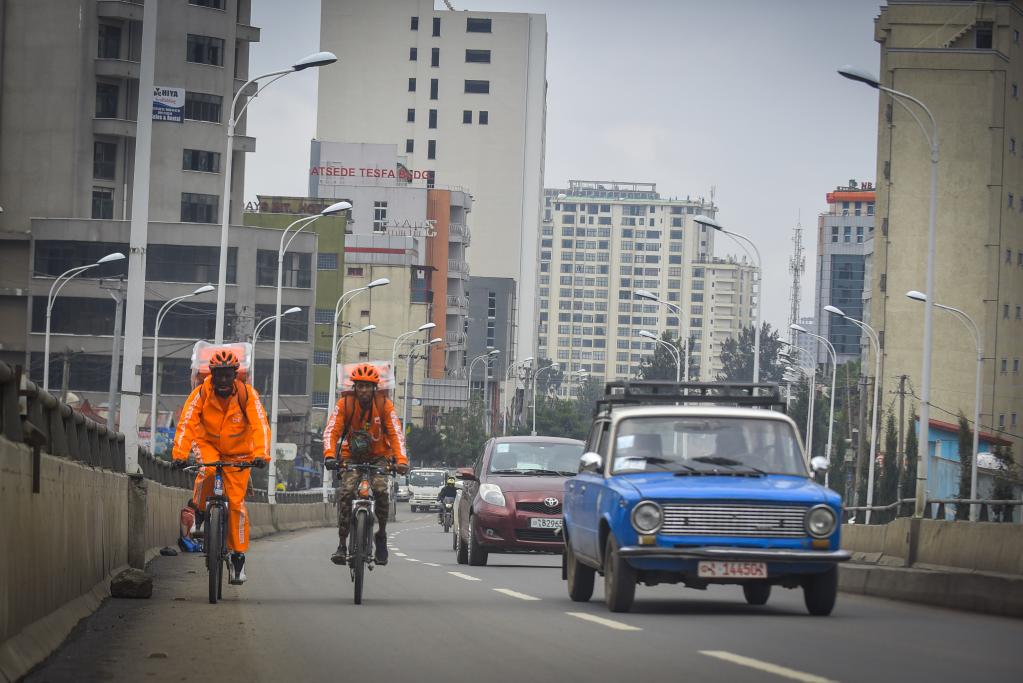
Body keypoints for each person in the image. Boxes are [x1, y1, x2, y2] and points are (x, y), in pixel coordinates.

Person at [172, 349, 270, 585]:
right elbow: (187, 422)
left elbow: (260, 425)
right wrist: (179, 454)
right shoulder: (201, 394)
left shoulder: (248, 395)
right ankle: (199, 511)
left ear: (236, 375)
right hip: (207, 445)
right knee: (205, 471)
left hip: (240, 454)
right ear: (211, 375)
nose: (224, 381)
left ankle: (238, 559)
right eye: (219, 376)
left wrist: (261, 455)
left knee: (236, 505)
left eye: (228, 375)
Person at [323, 363, 408, 566]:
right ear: (354, 387)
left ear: (374, 388)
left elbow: (396, 433)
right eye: (359, 386)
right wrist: (329, 455)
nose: (363, 390)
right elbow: (331, 430)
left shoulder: (384, 405)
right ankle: (342, 544)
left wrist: (402, 460)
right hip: (351, 457)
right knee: (346, 493)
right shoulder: (345, 404)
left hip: (379, 457)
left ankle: (381, 535)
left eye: (367, 387)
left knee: (380, 491)